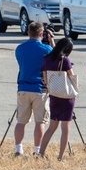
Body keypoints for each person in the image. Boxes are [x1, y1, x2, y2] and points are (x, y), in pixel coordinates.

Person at [13, 21, 55, 156]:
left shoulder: (20, 48)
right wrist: (51, 40)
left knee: (21, 121)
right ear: (41, 34)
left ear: (28, 33)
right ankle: (37, 149)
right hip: (40, 89)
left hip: (24, 87)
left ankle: (18, 149)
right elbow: (56, 59)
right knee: (40, 121)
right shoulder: (46, 49)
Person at [39, 38, 76, 161]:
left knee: (52, 127)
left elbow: (45, 78)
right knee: (65, 128)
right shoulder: (64, 60)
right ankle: (60, 156)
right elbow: (71, 75)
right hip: (66, 97)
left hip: (54, 95)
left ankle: (41, 152)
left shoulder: (46, 58)